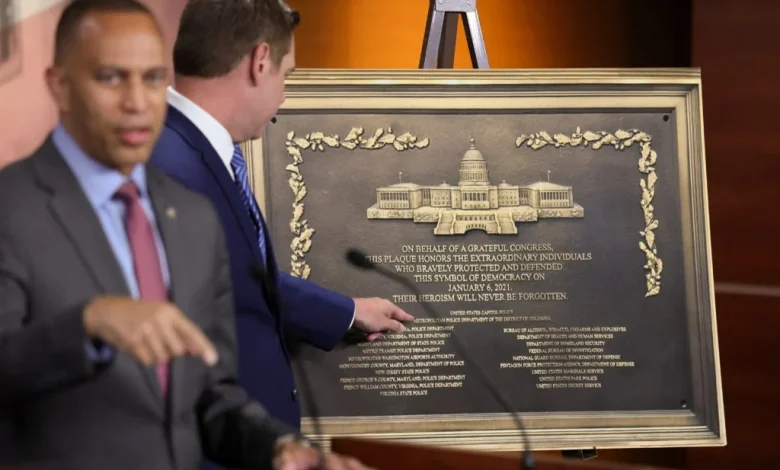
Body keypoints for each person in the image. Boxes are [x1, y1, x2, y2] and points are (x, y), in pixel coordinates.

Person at [0, 1, 372, 469]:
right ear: (60, 86)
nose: (138, 101)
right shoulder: (12, 207)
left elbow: (211, 398)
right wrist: (87, 325)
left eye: (154, 78)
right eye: (111, 77)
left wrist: (282, 449)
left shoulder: (193, 218)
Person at [149, 0, 414, 433]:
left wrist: (343, 311)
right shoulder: (172, 166)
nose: (284, 95)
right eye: (286, 76)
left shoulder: (187, 149)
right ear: (260, 61)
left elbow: (233, 275)